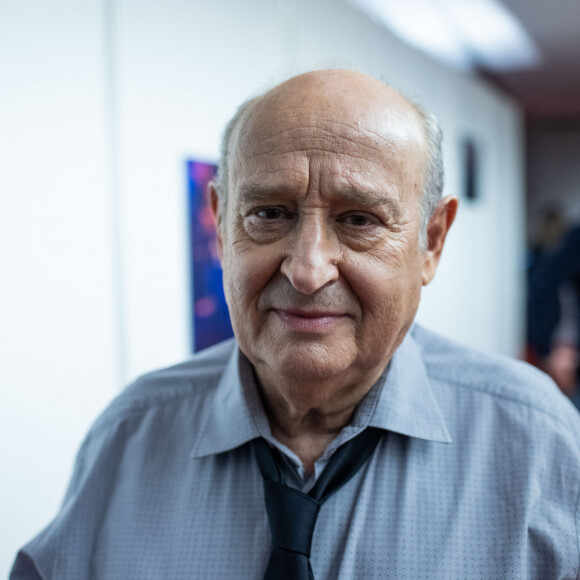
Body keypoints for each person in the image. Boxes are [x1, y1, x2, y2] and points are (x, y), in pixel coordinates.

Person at [11, 70, 580, 579]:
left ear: (430, 242)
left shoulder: (535, 445)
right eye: (269, 214)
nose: (307, 270)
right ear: (219, 227)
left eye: (358, 219)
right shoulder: (130, 437)